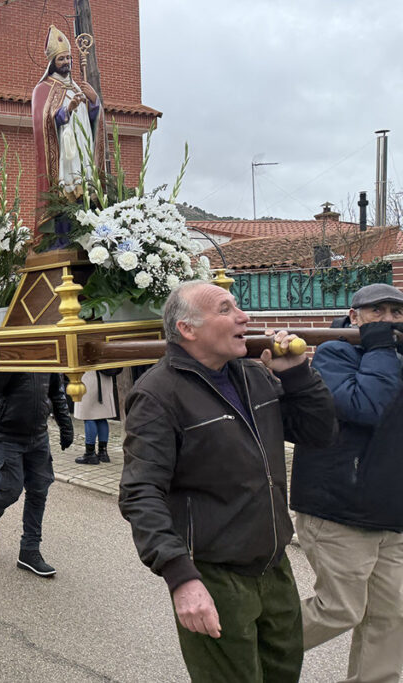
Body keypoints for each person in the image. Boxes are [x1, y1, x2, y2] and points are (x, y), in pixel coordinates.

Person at [119, 281, 336, 683]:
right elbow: (140, 492)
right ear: (187, 329)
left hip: (273, 566)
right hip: (215, 576)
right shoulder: (158, 394)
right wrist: (181, 578)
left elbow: (319, 433)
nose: (244, 317)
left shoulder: (254, 375)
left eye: (238, 306)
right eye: (225, 309)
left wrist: (298, 376)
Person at [291, 283, 403, 682]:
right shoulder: (334, 354)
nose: (388, 320)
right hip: (339, 508)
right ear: (354, 316)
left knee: (391, 616)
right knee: (340, 609)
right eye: (377, 312)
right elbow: (367, 405)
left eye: (396, 313)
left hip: (389, 513)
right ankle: (249, 650)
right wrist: (380, 346)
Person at [0, 368, 73, 578]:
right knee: (10, 490)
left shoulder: (47, 352)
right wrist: (13, 355)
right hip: (5, 432)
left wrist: (65, 424)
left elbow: (56, 390)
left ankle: (29, 550)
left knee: (39, 490)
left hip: (38, 433)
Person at [32, 24, 101, 226]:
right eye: (61, 59)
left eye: (69, 58)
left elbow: (92, 121)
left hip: (83, 150)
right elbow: (44, 122)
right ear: (53, 63)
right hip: (64, 155)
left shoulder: (77, 86)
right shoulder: (43, 89)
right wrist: (67, 110)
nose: (66, 63)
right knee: (67, 200)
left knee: (87, 194)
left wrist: (94, 101)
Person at [73, 368, 120, 465]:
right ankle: (103, 453)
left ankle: (90, 454)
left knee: (88, 416)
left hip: (88, 377)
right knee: (101, 416)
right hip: (105, 378)